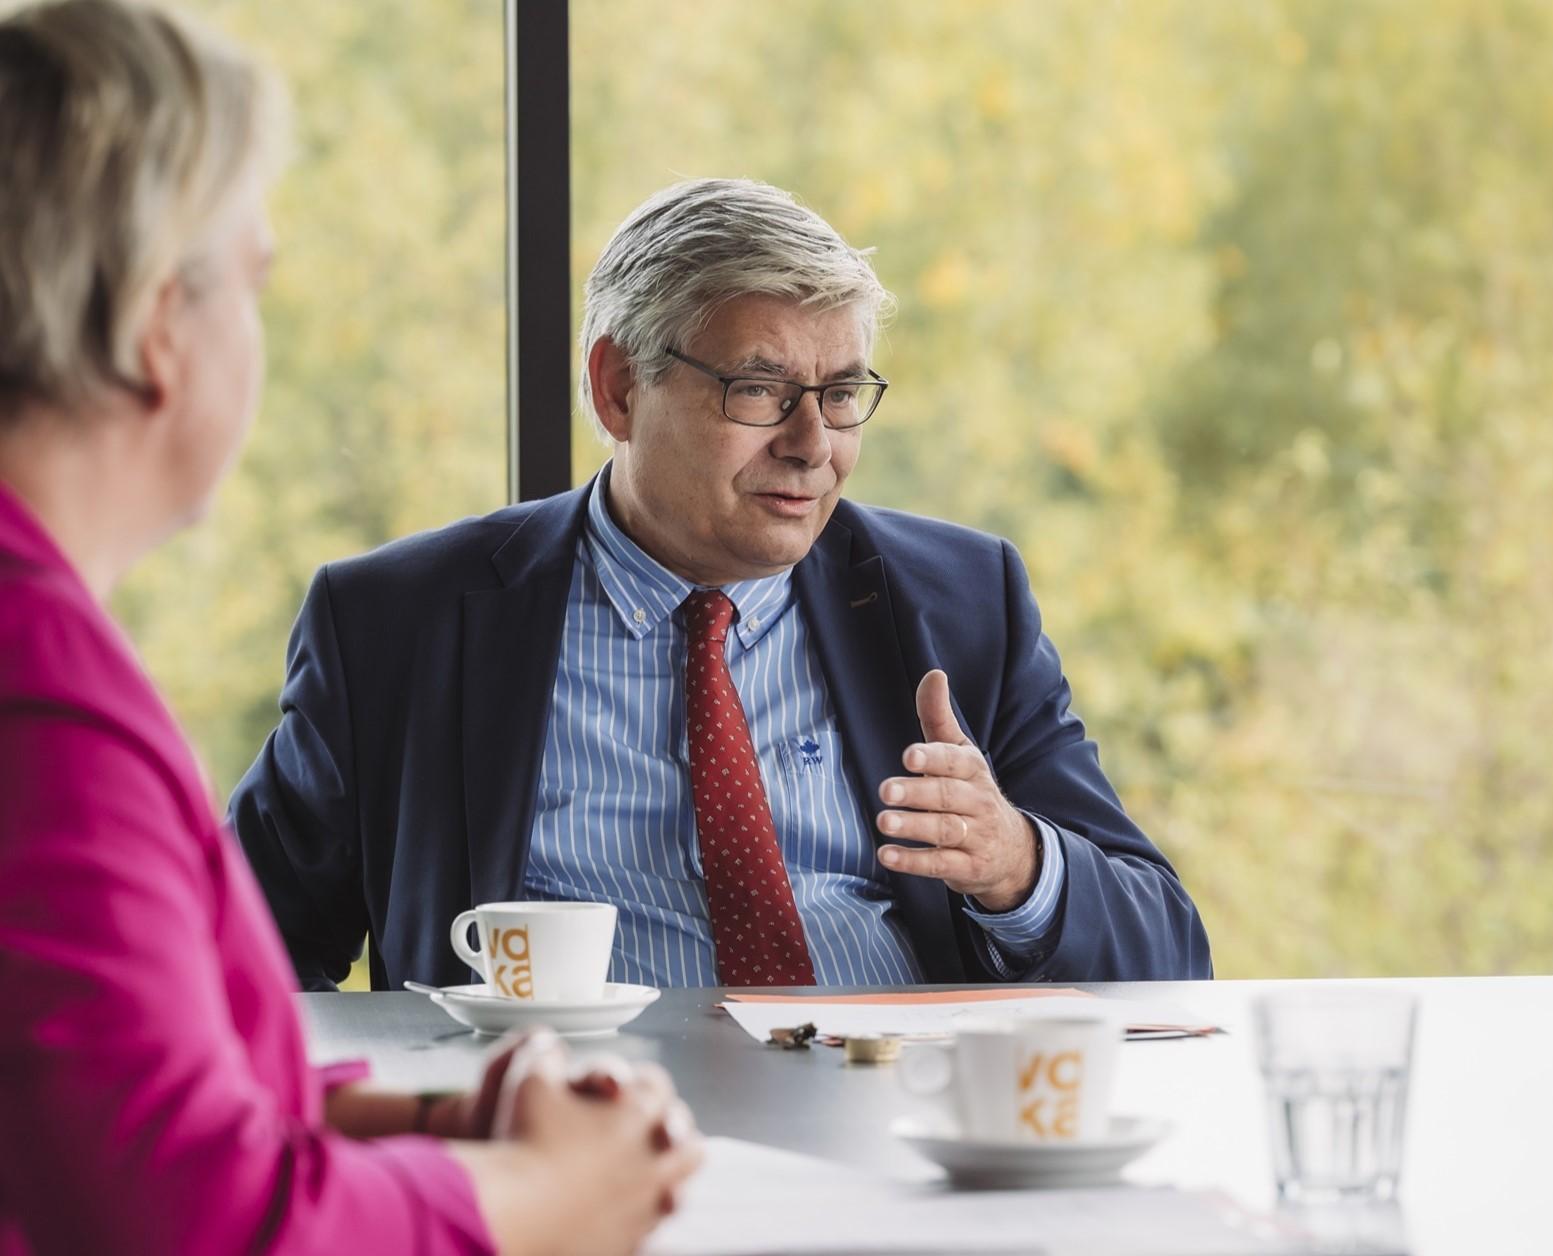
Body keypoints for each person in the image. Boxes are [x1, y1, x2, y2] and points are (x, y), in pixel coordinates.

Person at [0, 3, 700, 1254]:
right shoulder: (42, 704)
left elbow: (105, 1095)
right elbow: (193, 1218)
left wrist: (437, 1116)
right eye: (254, 283)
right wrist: (540, 1196)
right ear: (159, 326)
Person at [232, 177, 1213, 994]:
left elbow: (1169, 954)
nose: (812, 444)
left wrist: (1016, 865)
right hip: (573, 1134)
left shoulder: (961, 603)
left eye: (841, 394)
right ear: (618, 388)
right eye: (759, 390)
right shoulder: (399, 626)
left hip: (889, 1125)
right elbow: (236, 952)